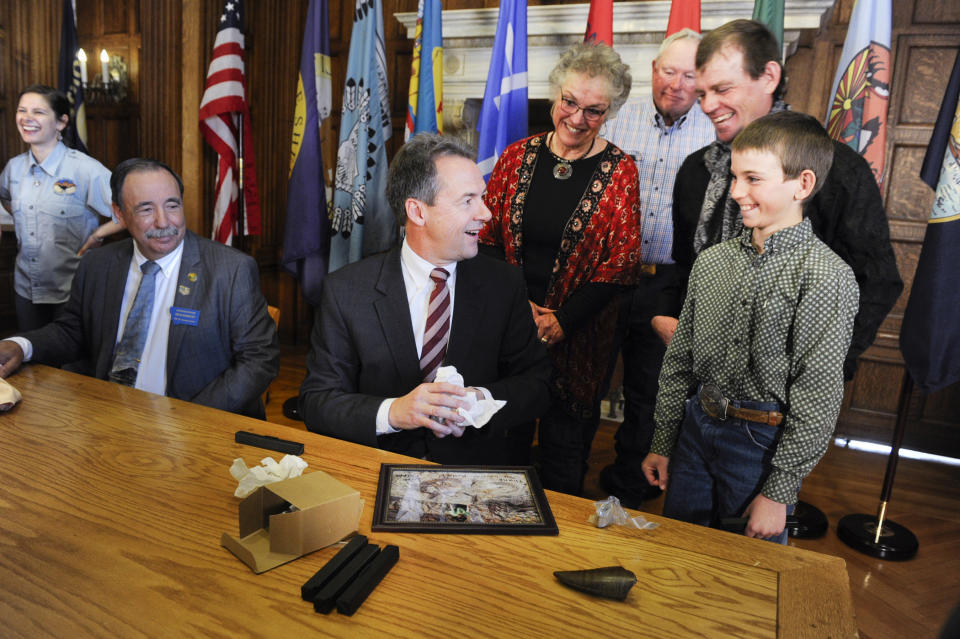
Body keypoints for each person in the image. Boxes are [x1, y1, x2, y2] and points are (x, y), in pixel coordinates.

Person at [642, 111, 860, 543]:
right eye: (735, 178)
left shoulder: (825, 276)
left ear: (802, 185)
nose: (737, 192)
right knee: (679, 550)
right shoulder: (712, 262)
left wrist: (779, 491)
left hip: (762, 446)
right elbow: (680, 363)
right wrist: (664, 440)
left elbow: (817, 393)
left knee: (748, 572)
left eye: (753, 179)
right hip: (695, 430)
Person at [655, 20, 902, 382]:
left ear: (769, 76)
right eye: (703, 91)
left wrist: (821, 367)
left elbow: (877, 281)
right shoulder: (696, 170)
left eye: (722, 89)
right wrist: (664, 315)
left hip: (781, 395)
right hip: (695, 377)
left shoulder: (836, 170)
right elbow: (681, 264)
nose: (707, 105)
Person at [299, 134, 551, 465]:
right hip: (377, 468)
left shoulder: (504, 285)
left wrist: (481, 399)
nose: (487, 214)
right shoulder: (346, 290)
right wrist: (394, 412)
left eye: (483, 198)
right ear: (418, 212)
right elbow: (317, 402)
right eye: (468, 201)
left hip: (475, 473)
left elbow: (538, 385)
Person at [480, 43, 642, 495]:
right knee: (503, 438)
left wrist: (561, 321)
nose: (576, 117)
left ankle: (557, 543)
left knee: (563, 452)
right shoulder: (516, 157)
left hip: (581, 333)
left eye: (594, 110)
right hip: (511, 326)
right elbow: (487, 238)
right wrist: (524, 311)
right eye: (569, 102)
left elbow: (621, 263)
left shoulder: (621, 171)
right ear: (556, 96)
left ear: (610, 112)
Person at [0, 158, 279, 418]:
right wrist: (21, 345)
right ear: (119, 214)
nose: (163, 222)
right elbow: (73, 331)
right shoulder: (98, 264)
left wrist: (191, 419)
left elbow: (258, 360)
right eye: (146, 209)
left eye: (172, 205)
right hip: (107, 415)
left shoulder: (230, 270)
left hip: (194, 422)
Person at [599, 28, 715, 507]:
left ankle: (632, 482)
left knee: (650, 389)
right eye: (669, 71)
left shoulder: (715, 133)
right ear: (653, 72)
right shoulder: (614, 120)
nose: (677, 83)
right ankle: (566, 472)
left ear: (702, 81)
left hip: (669, 283)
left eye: (690, 75)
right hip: (607, 276)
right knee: (589, 376)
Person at [0, 85, 124, 331]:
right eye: (22, 110)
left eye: (38, 112)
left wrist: (98, 234)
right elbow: (4, 198)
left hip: (72, 290)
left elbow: (129, 210)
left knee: (68, 365)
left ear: (61, 122)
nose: (27, 118)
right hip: (26, 288)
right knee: (31, 362)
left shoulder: (85, 169)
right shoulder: (13, 168)